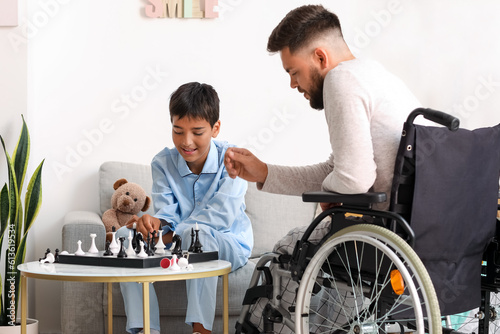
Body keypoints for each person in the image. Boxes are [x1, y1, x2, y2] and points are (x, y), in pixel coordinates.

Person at [224, 4, 421, 332]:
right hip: (413, 229)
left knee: (287, 248)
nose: (292, 84)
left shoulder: (341, 80)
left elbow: (354, 178)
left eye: (293, 71)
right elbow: (340, 170)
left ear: (319, 57)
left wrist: (336, 193)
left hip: (376, 233)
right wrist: (264, 172)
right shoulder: (377, 76)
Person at [117, 82, 253, 334]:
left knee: (197, 235)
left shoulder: (234, 161)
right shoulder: (162, 162)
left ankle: (201, 331)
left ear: (215, 129)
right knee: (125, 237)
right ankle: (146, 329)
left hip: (226, 242)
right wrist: (153, 224)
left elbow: (218, 219)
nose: (186, 142)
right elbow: (167, 213)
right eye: (178, 131)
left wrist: (166, 233)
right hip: (176, 242)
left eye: (197, 132)